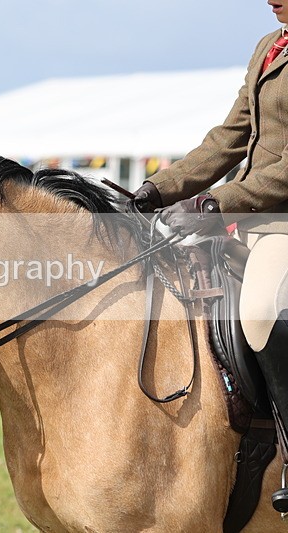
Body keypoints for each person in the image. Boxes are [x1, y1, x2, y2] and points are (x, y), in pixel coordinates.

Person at [133, 4, 288, 511]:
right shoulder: (270, 46)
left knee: (260, 310)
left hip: (282, 225)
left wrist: (216, 202)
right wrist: (160, 188)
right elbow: (229, 138)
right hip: (246, 221)